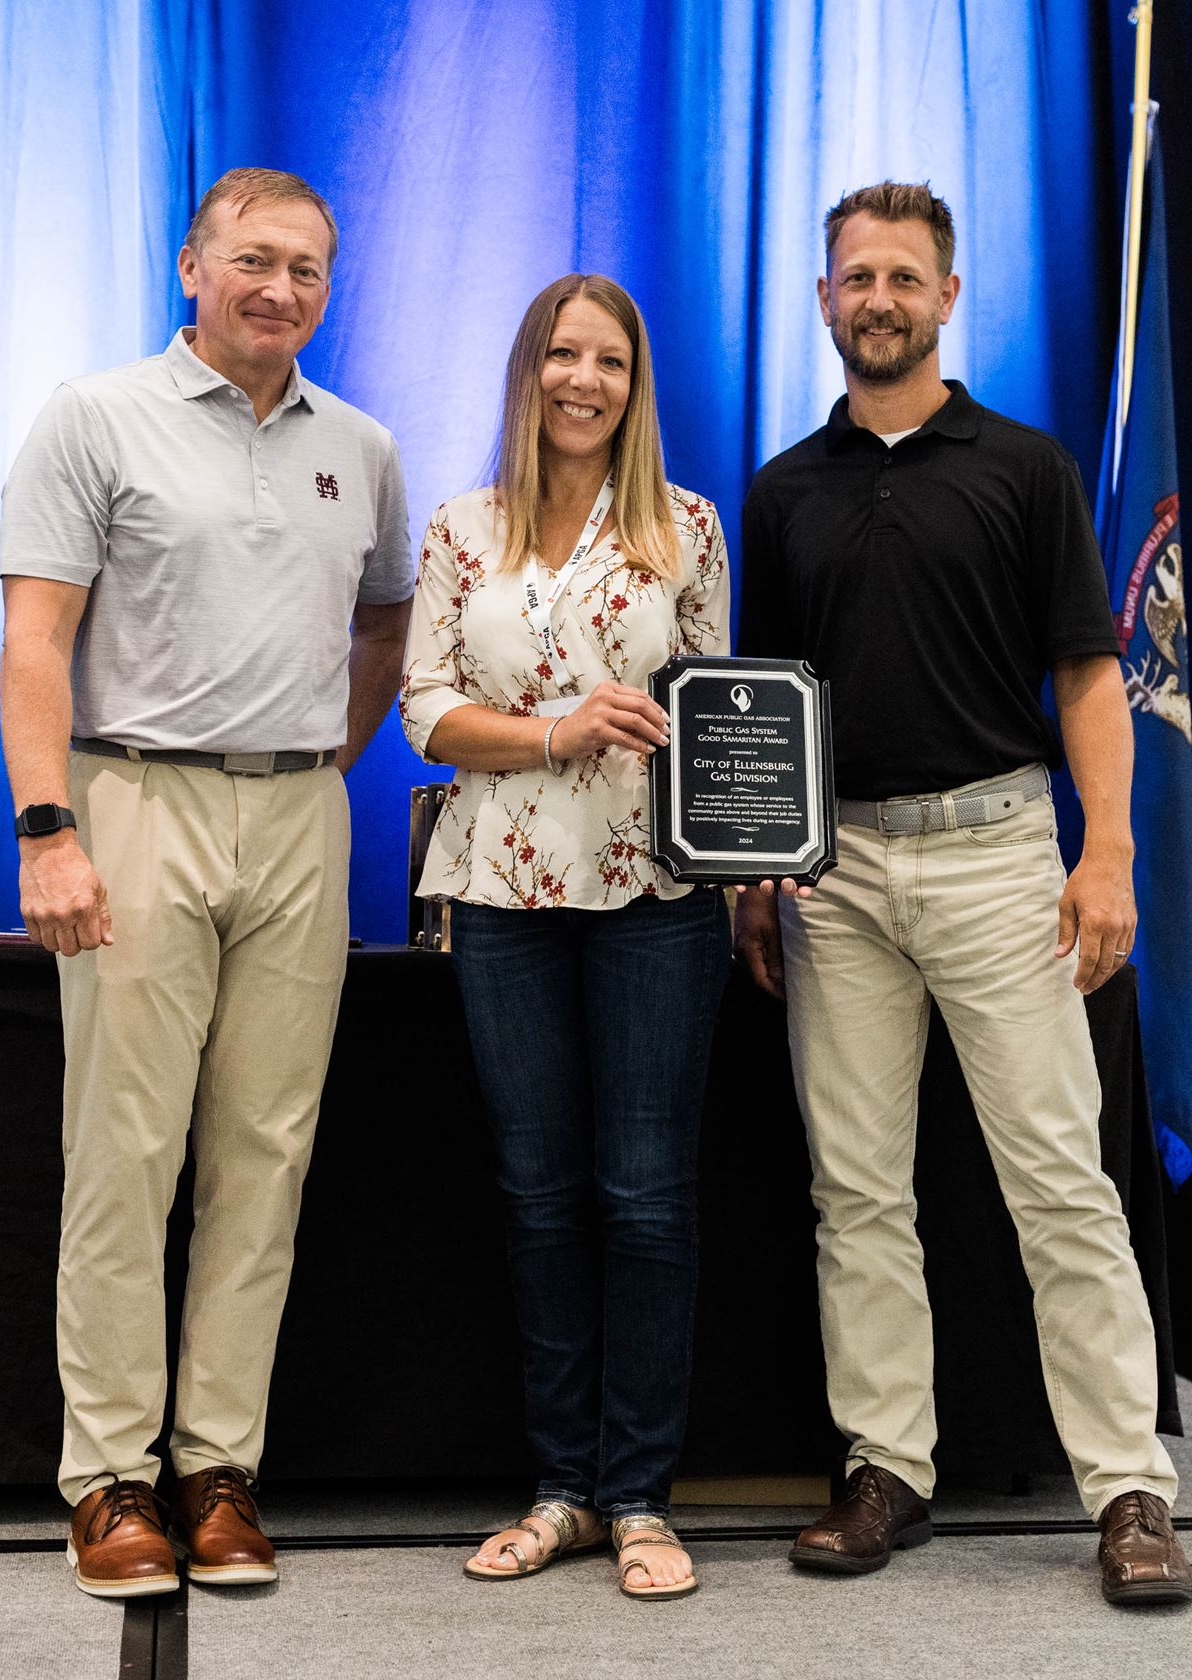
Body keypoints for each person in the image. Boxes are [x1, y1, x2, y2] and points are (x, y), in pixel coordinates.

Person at [733, 182, 1192, 1606]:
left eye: (903, 277)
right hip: (839, 877)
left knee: (1060, 1182)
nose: (878, 298)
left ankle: (1127, 1490)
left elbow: (1087, 677)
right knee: (857, 1188)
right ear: (825, 303)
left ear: (946, 296)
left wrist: (1106, 851)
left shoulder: (1026, 469)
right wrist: (758, 871)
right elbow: (766, 709)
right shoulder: (784, 490)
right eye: (855, 277)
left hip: (1002, 855)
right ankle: (887, 1469)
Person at [0, 166, 412, 1599]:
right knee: (127, 1153)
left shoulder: (356, 446)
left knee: (265, 1157)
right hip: (133, 803)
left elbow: (388, 626)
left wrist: (320, 765)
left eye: (305, 269)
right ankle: (109, 1476)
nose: (277, 287)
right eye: (251, 258)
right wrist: (49, 827)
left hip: (299, 818)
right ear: (192, 266)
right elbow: (36, 639)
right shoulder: (93, 417)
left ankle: (217, 1470)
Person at [402, 274, 732, 1601]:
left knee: (647, 1203)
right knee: (539, 1202)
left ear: (634, 382)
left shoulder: (685, 528)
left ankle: (641, 1496)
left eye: (609, 359)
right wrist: (552, 731)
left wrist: (766, 865)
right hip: (497, 897)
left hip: (658, 899)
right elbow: (425, 712)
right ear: (528, 370)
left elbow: (726, 716)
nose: (585, 379)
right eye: (562, 354)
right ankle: (559, 1491)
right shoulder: (460, 527)